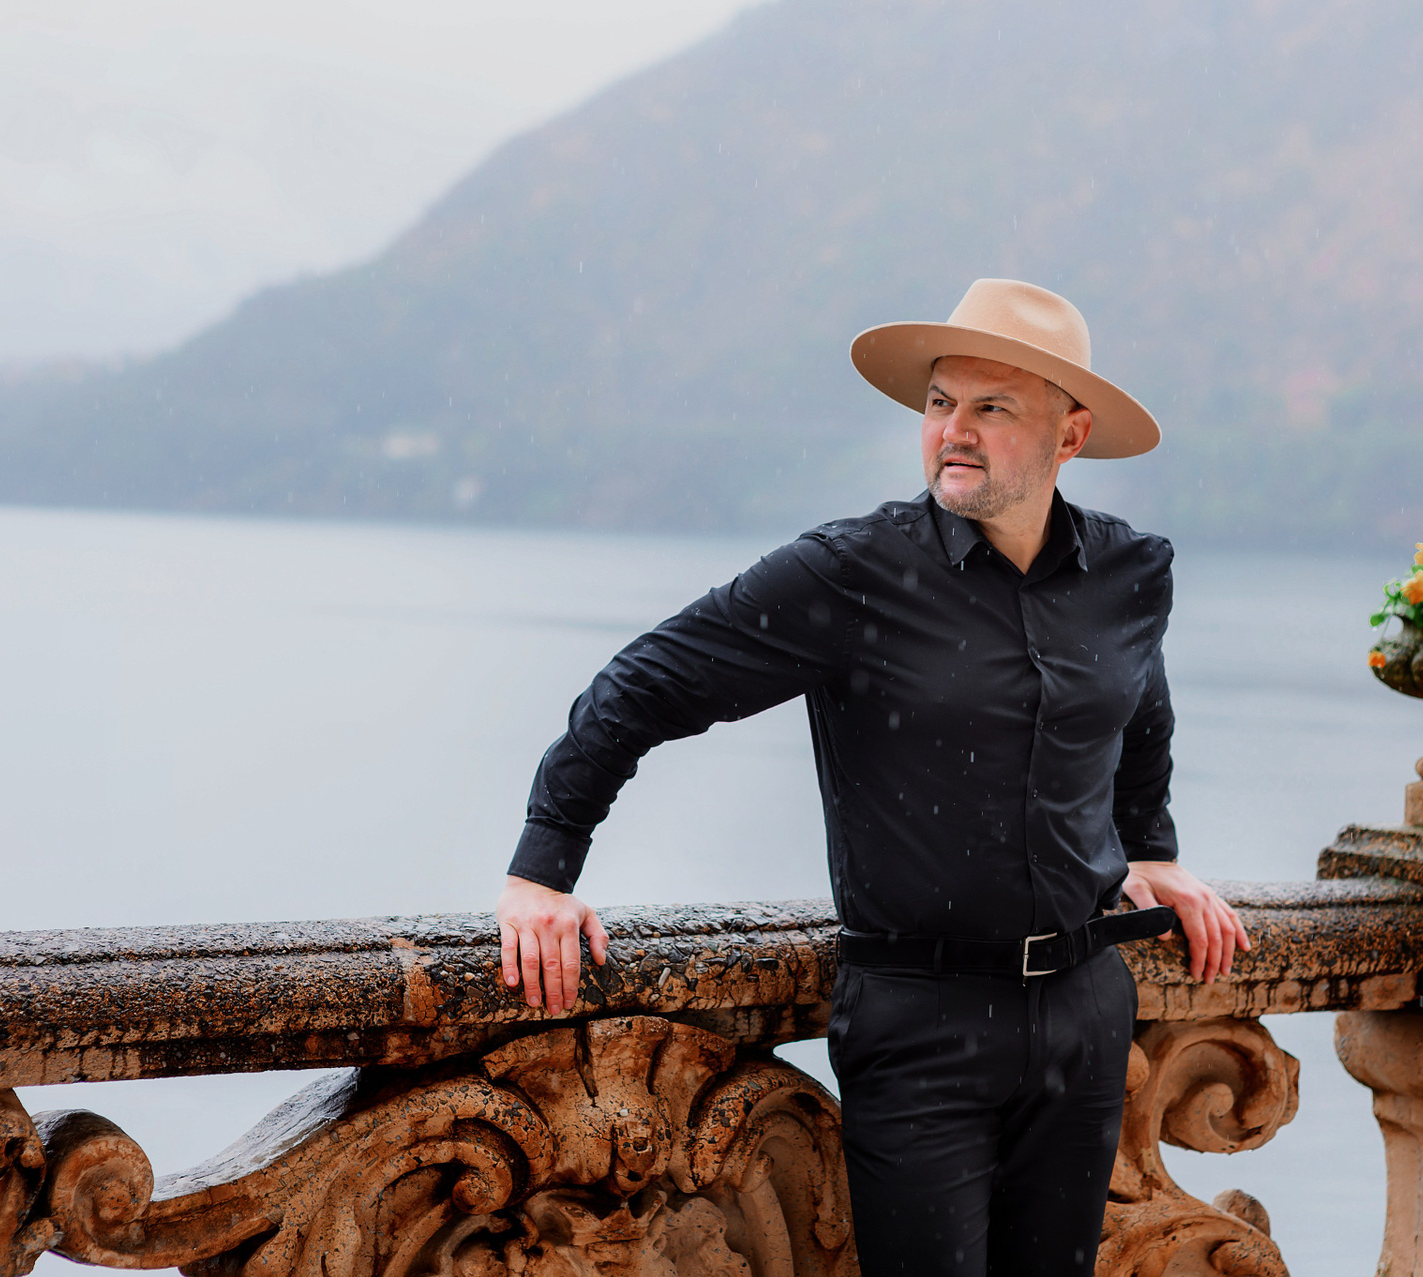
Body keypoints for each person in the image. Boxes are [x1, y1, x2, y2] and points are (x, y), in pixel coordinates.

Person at [496, 278, 1250, 1277]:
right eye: (940, 402)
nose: (954, 431)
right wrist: (542, 869)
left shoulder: (1129, 571)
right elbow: (644, 683)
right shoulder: (851, 572)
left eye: (993, 407)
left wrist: (1153, 847)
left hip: (1086, 1009)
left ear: (1069, 436)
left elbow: (1138, 702)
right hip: (920, 1020)